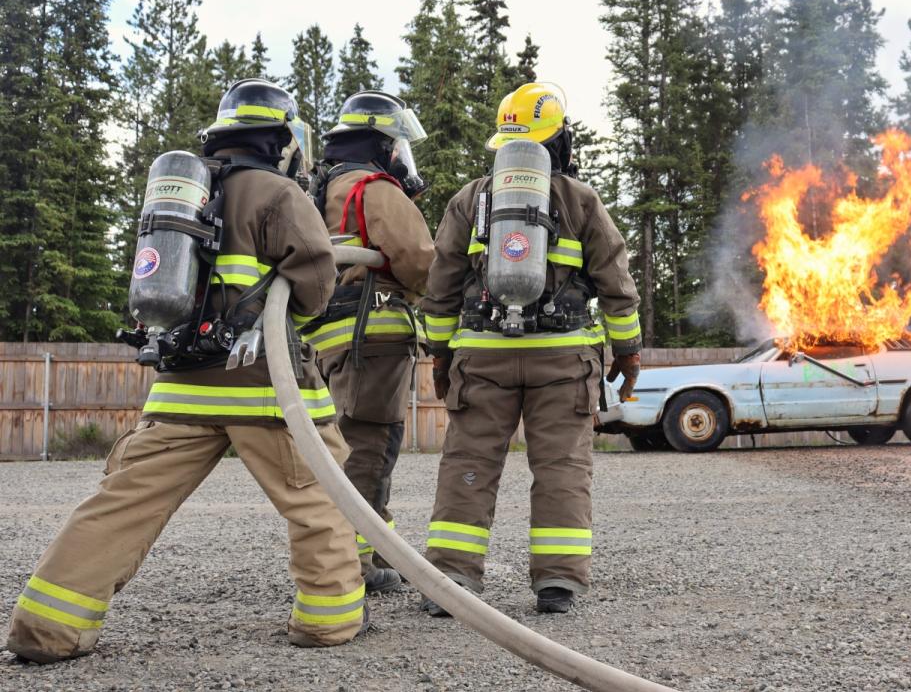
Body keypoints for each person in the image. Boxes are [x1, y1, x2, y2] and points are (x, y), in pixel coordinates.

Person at [6, 79, 365, 663]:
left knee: (122, 502)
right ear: (280, 140)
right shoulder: (275, 192)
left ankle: (45, 627)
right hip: (265, 386)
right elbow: (316, 282)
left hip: (180, 386)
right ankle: (330, 621)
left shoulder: (183, 194)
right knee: (320, 496)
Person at [418, 83, 642, 616]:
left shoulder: (470, 199)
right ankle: (558, 585)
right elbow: (616, 283)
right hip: (564, 360)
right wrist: (628, 352)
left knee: (468, 462)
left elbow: (441, 285)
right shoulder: (582, 201)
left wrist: (442, 356)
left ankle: (451, 580)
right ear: (560, 141)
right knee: (562, 465)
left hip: (482, 355)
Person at [300, 91, 435, 593]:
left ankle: (376, 550)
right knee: (371, 445)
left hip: (332, 338)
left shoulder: (325, 187)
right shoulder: (373, 188)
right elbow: (420, 261)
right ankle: (357, 563)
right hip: (372, 335)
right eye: (398, 146)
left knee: (351, 443)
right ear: (381, 145)